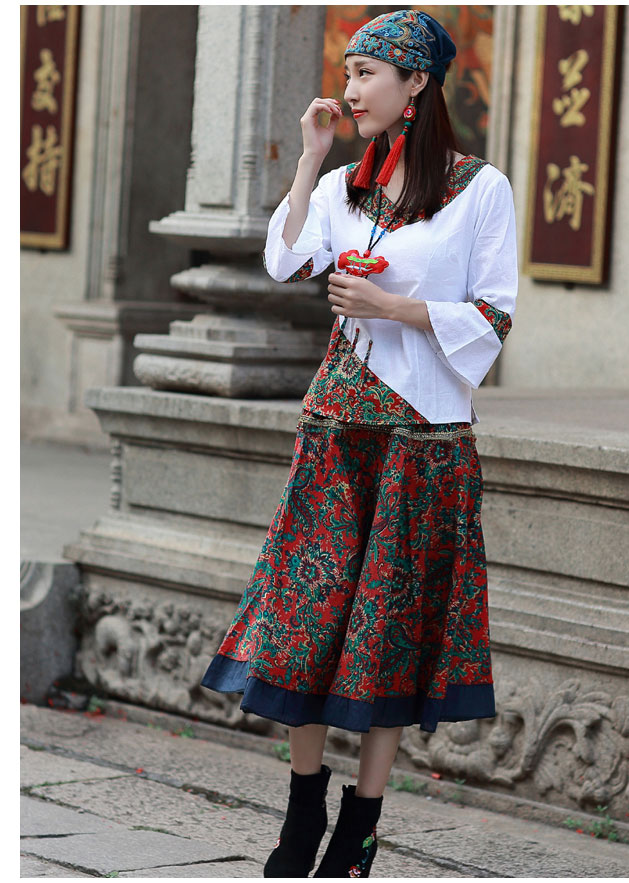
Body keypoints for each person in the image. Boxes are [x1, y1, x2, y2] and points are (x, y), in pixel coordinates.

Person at [200, 8, 518, 878]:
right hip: (334, 434)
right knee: (303, 621)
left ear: (416, 83)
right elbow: (284, 260)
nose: (350, 88)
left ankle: (361, 825)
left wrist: (395, 307)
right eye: (348, 72)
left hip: (422, 441)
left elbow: (494, 315)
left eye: (367, 72)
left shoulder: (480, 189)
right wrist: (309, 160)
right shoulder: (343, 185)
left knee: (390, 633)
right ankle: (303, 803)